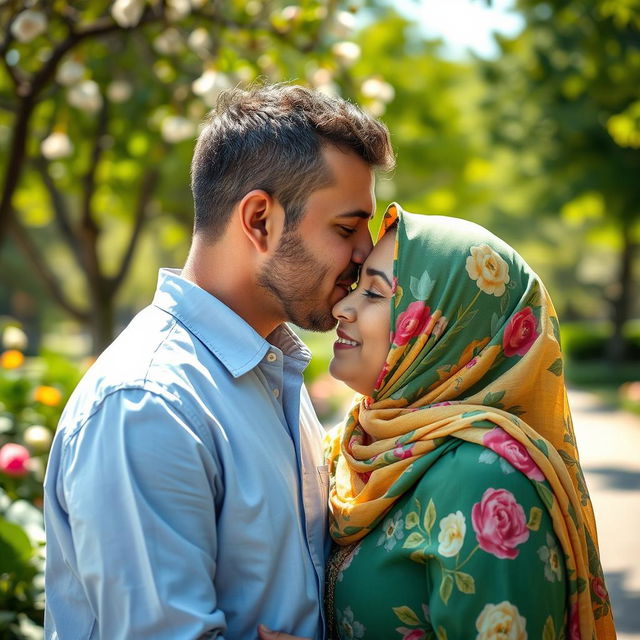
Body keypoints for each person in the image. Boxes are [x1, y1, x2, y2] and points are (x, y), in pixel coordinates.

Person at [43, 84, 394, 640]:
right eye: (347, 228)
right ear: (259, 220)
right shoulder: (149, 405)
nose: (365, 254)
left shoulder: (273, 373)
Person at [261, 202, 616, 640]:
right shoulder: (357, 446)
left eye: (374, 293)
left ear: (447, 331)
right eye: (356, 288)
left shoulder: (488, 481)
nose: (342, 309)